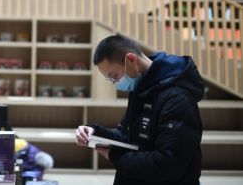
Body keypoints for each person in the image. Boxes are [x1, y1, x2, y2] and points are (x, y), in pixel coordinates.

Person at [76, 35, 204, 185]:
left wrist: (113, 155)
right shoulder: (141, 89)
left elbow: (167, 165)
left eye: (114, 77)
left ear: (131, 60)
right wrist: (94, 133)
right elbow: (127, 136)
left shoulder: (177, 98)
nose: (115, 84)